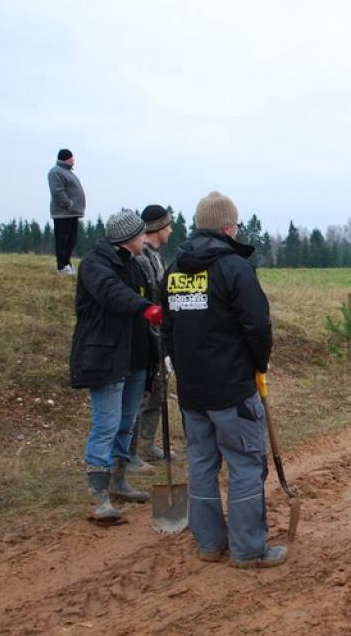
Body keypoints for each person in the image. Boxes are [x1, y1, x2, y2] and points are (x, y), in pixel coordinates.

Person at [161, 191, 285, 569]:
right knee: (246, 464)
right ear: (229, 227)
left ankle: (209, 544)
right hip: (232, 388)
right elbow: (258, 325)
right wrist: (257, 363)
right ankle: (248, 550)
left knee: (201, 463)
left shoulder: (174, 271)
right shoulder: (235, 268)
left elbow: (167, 328)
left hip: (192, 391)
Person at [70, 210, 163, 523]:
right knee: (106, 424)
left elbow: (147, 298)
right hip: (107, 358)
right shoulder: (96, 265)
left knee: (126, 423)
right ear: (129, 238)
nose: (145, 238)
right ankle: (99, 498)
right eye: (141, 234)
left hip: (135, 359)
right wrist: (145, 308)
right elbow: (112, 293)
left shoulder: (133, 265)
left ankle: (118, 480)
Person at [127, 205, 174, 474]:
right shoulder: (141, 259)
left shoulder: (156, 256)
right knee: (142, 395)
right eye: (167, 225)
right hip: (145, 334)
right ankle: (130, 453)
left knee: (158, 391)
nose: (171, 230)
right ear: (158, 228)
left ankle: (147, 443)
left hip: (159, 334)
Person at [48, 148, 86, 275]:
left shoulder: (68, 172)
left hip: (72, 213)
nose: (74, 159)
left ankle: (67, 264)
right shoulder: (55, 172)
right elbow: (57, 191)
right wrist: (68, 204)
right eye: (72, 157)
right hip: (62, 213)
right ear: (66, 158)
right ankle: (62, 266)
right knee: (63, 240)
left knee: (71, 240)